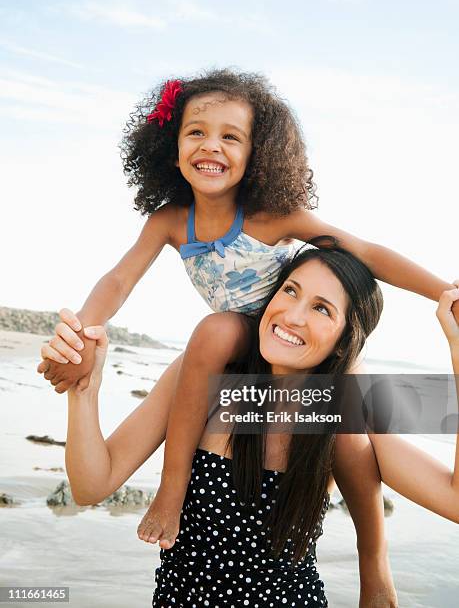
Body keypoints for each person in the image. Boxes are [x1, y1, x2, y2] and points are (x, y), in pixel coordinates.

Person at [38, 68, 458, 555]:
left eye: (231, 137)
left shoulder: (273, 217)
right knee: (215, 333)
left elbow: (365, 252)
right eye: (196, 131)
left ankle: (375, 561)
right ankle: (171, 491)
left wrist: (445, 294)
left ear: (256, 156)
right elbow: (117, 280)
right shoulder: (171, 221)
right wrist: (81, 338)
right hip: (238, 340)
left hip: (287, 345)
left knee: (353, 415)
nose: (211, 146)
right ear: (170, 146)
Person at [64, 245, 459, 607]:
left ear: (343, 342)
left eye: (322, 309)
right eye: (290, 291)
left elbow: (450, 503)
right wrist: (85, 391)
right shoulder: (202, 379)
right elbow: (90, 485)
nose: (293, 315)